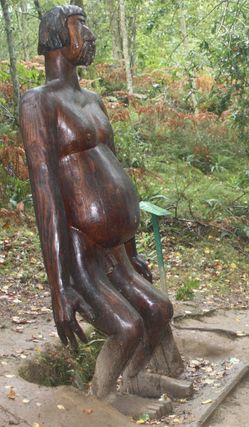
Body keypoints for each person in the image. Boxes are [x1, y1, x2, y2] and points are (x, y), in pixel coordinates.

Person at [19, 5, 187, 400]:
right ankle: (102, 395)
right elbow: (47, 201)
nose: (90, 35)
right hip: (81, 250)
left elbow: (112, 170)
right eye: (82, 27)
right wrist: (59, 289)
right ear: (57, 36)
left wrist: (132, 249)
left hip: (116, 249)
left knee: (160, 310)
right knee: (126, 327)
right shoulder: (37, 103)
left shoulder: (94, 100)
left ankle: (136, 377)